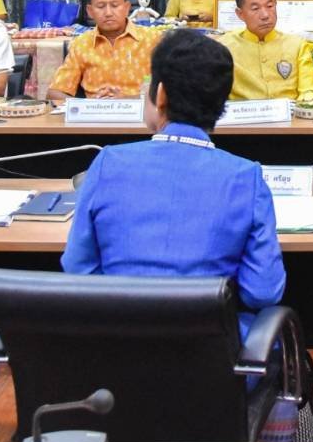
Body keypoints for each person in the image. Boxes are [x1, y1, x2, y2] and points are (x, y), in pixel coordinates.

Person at [62, 28, 285, 343]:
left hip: (115, 354)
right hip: (212, 359)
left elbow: (77, 268)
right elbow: (263, 291)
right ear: (222, 103)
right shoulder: (246, 177)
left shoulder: (107, 163)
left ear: (161, 94)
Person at [48, 0, 159, 101]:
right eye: (101, 6)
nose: (108, 13)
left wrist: (126, 100)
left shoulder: (152, 40)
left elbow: (169, 91)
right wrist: (91, 105)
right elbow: (54, 93)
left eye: (114, 5)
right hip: (94, 111)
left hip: (142, 111)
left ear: (127, 8)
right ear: (90, 11)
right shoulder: (82, 44)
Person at [216, 0, 313, 103]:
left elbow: (308, 90)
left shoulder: (296, 45)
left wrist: (307, 103)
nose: (265, 15)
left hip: (289, 113)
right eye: (255, 8)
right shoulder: (224, 47)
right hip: (244, 113)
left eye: (270, 6)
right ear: (240, 14)